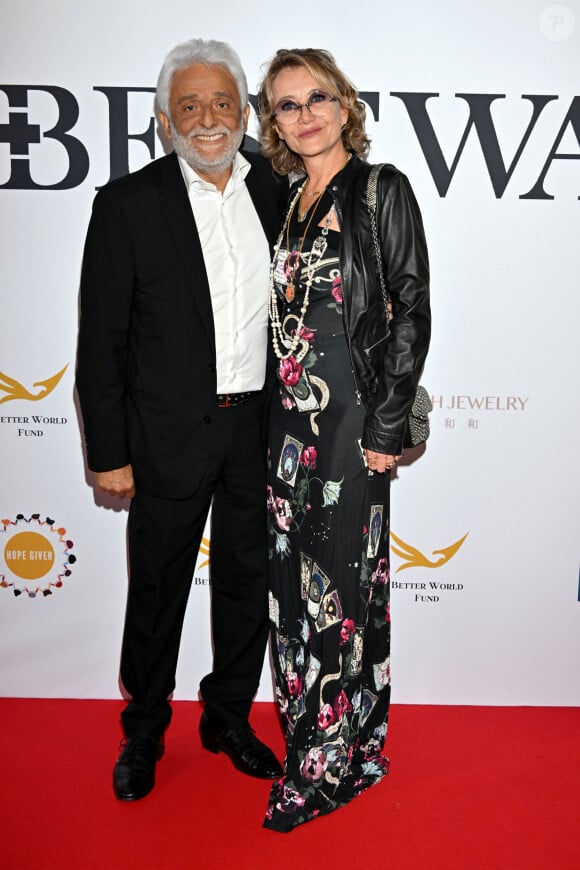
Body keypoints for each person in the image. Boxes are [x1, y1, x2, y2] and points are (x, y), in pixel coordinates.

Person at [76, 38, 287, 802]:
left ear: (244, 112)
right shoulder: (128, 205)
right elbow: (102, 341)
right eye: (190, 106)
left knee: (247, 580)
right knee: (158, 586)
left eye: (221, 103)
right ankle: (144, 727)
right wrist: (108, 452)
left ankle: (228, 715)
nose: (208, 120)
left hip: (259, 431)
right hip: (162, 435)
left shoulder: (278, 189)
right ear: (165, 119)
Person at [257, 48, 431, 831]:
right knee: (299, 595)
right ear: (276, 121)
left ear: (343, 103)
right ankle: (333, 743)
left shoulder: (379, 189)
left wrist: (388, 429)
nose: (305, 115)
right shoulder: (291, 199)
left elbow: (409, 312)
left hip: (353, 425)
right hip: (288, 428)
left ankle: (328, 766)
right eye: (288, 105)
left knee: (340, 594)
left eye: (317, 97)